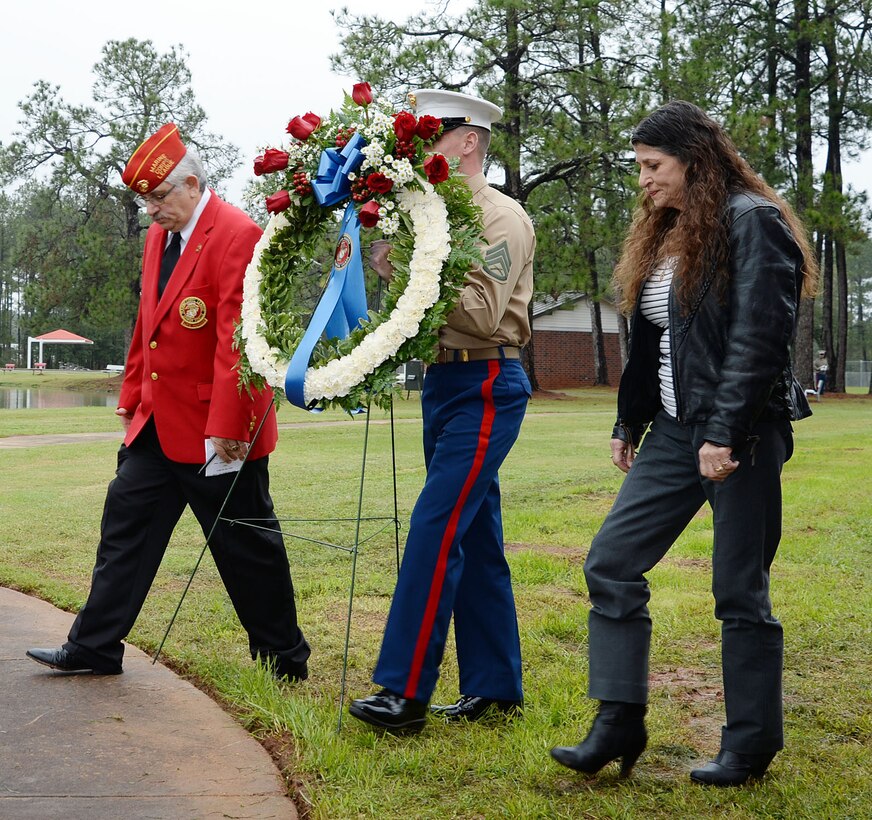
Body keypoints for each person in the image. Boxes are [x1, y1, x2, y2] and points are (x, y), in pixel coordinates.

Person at [550, 101, 818, 786]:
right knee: (611, 563)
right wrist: (628, 422)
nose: (643, 180)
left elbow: (760, 338)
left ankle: (750, 744)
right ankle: (619, 721)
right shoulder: (667, 232)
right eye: (640, 168)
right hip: (672, 433)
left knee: (738, 590)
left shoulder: (752, 222)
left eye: (652, 166)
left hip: (742, 434)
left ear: (693, 161)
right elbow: (655, 344)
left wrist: (725, 432)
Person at [26, 124, 310, 680]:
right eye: (145, 200)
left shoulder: (238, 234)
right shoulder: (159, 236)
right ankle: (94, 647)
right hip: (157, 427)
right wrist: (133, 398)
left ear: (193, 184)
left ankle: (284, 660)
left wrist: (228, 426)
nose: (151, 210)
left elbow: (238, 341)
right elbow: (147, 327)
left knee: (246, 549)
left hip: (218, 429)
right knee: (123, 532)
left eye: (159, 197)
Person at [349, 90, 535, 734]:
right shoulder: (430, 216)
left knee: (434, 526)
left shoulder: (499, 218)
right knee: (476, 533)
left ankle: (403, 691)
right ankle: (495, 687)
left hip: (486, 382)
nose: (419, 149)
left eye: (433, 136)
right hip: (442, 383)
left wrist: (412, 261)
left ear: (467, 142)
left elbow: (482, 315)